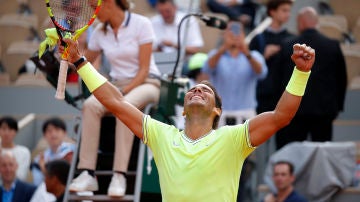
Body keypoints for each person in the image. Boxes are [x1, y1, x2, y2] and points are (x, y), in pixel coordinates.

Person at [61, 27, 315, 201]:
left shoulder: (233, 138)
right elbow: (115, 101)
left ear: (217, 110)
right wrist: (80, 61)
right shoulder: (162, 136)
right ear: (182, 110)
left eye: (205, 90)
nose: (197, 90)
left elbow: (282, 116)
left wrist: (301, 73)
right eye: (193, 88)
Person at [68, 0, 161, 197]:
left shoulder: (142, 23)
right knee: (90, 105)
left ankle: (119, 175)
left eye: (95, 7)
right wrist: (69, 54)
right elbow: (84, 62)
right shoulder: (100, 32)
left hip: (146, 84)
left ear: (109, 2)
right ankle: (87, 173)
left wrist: (121, 93)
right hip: (117, 86)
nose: (92, 13)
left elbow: (144, 70)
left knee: (124, 106)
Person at [273, 7, 347, 150]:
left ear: (300, 23)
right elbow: (342, 79)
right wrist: (337, 108)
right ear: (317, 22)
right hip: (324, 112)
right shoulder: (332, 46)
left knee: (292, 154)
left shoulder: (288, 46)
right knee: (321, 154)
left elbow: (277, 81)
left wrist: (278, 106)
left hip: (293, 112)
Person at [203, 21, 267, 126]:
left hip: (245, 113)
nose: (234, 35)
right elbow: (207, 69)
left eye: (238, 32)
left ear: (243, 34)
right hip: (220, 112)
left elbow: (261, 73)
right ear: (224, 34)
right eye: (230, 32)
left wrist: (246, 52)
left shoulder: (254, 55)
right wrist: (223, 48)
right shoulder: (215, 54)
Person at [249, 0, 294, 115]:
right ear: (272, 11)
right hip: (262, 94)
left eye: (289, 11)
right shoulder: (258, 38)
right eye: (284, 10)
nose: (288, 14)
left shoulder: (291, 38)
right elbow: (248, 67)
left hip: (284, 93)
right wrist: (263, 56)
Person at [31, 117, 75, 186]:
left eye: (57, 130)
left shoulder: (73, 150)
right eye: (49, 131)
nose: (53, 134)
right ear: (44, 135)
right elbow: (37, 184)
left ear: (65, 133)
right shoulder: (39, 159)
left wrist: (45, 170)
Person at [0, 116, 31, 182]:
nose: (6, 133)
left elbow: (21, 176)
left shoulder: (24, 152)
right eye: (3, 129)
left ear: (16, 132)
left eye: (10, 129)